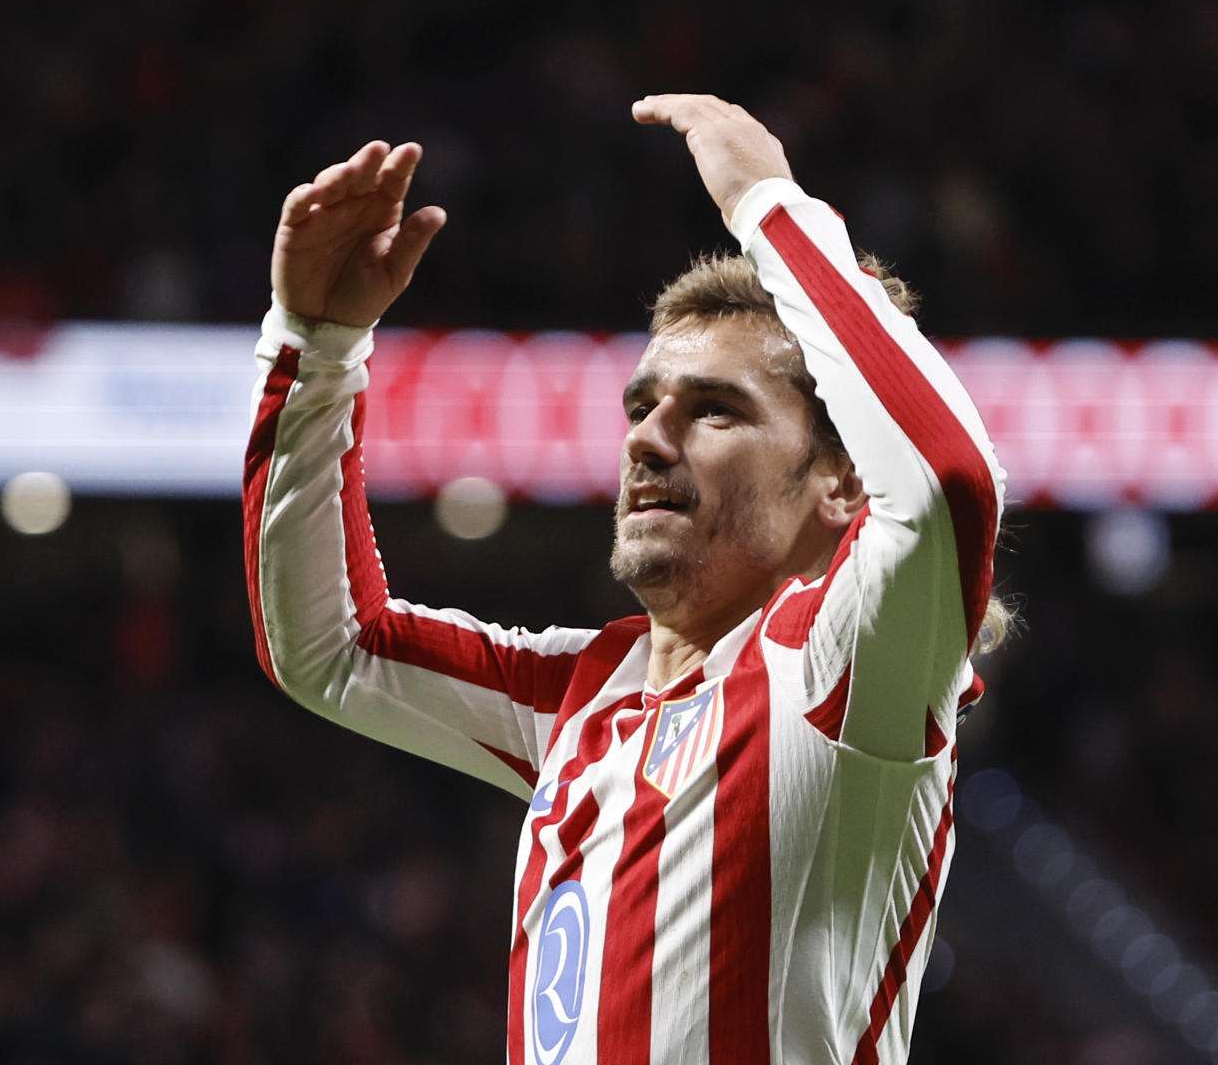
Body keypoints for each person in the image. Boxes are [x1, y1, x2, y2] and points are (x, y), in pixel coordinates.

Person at [243, 94, 1007, 1064]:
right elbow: (330, 646)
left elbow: (944, 480)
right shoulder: (580, 693)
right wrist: (313, 349)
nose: (647, 436)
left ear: (840, 478)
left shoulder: (842, 671)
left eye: (715, 410)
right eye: (643, 404)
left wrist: (770, 206)